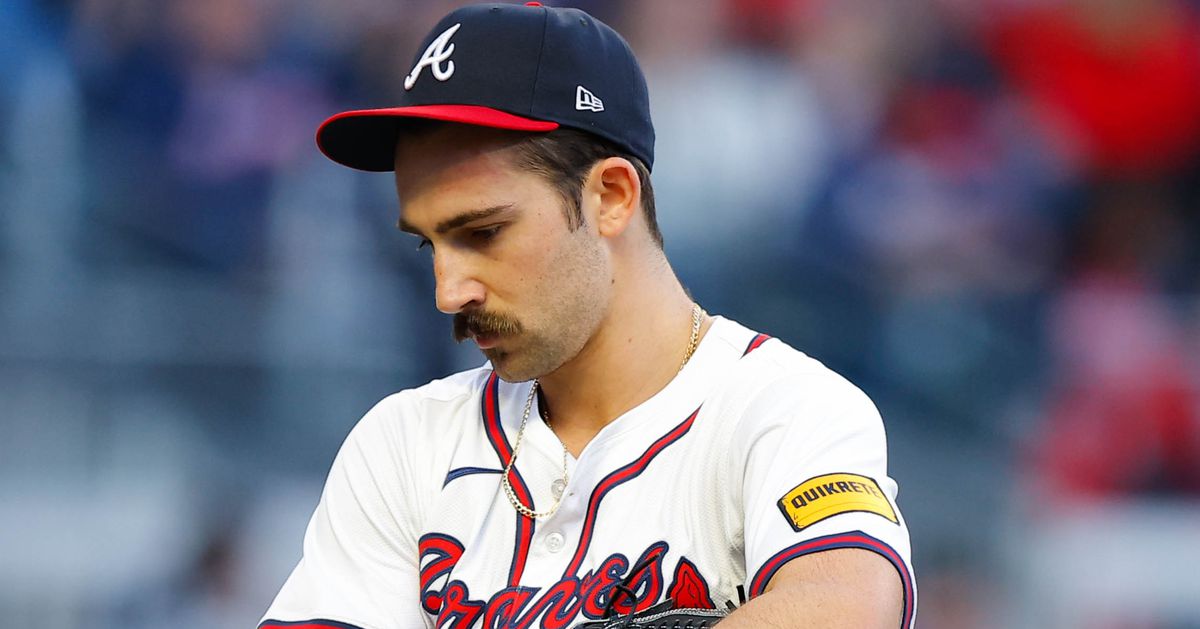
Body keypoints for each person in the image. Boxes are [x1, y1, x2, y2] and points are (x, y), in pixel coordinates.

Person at [260, 3, 915, 628]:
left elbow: (846, 607)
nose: (448, 292)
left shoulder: (785, 411)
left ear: (611, 196)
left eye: (484, 233)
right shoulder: (403, 441)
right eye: (429, 245)